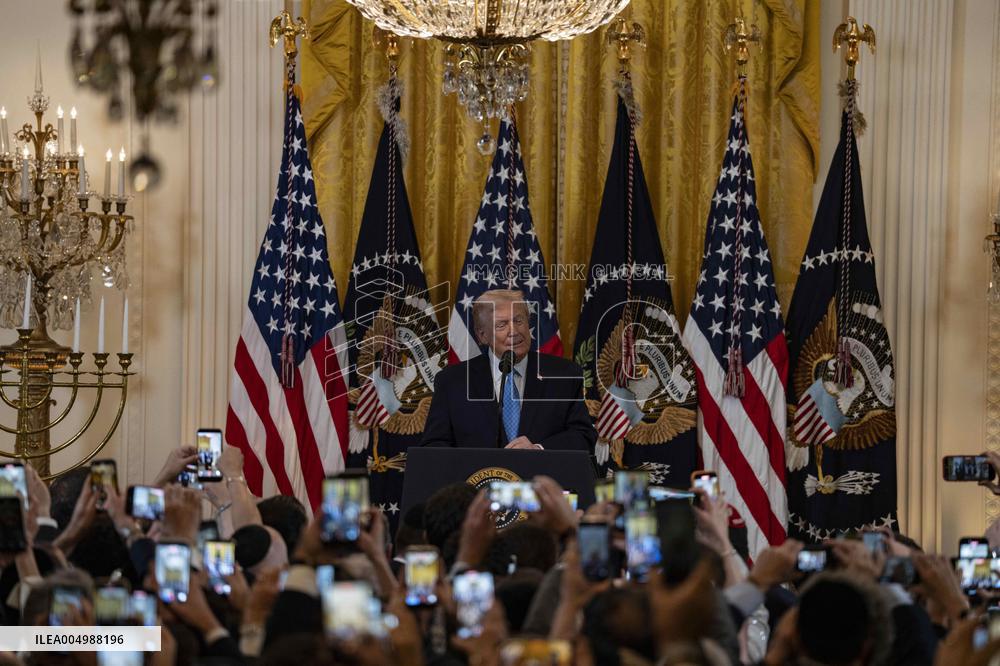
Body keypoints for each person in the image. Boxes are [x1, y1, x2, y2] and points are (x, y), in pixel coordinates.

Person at [422, 289, 597, 451]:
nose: (514, 331)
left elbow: (583, 436)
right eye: (501, 325)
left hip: (543, 481)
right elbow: (435, 445)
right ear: (482, 335)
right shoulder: (453, 382)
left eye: (519, 320)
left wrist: (538, 449)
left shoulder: (564, 374)